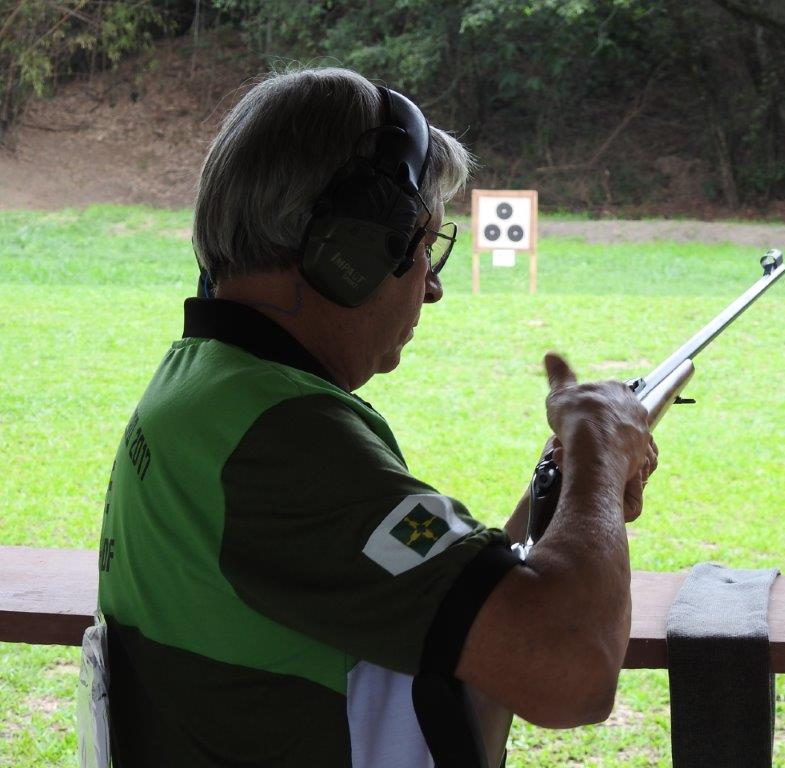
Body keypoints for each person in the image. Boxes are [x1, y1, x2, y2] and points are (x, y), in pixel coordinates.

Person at [96, 67, 657, 767]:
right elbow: (571, 672)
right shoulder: (283, 445)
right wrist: (601, 447)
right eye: (423, 245)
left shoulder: (208, 390)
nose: (434, 286)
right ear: (350, 249)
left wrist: (563, 489)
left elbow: (446, 598)